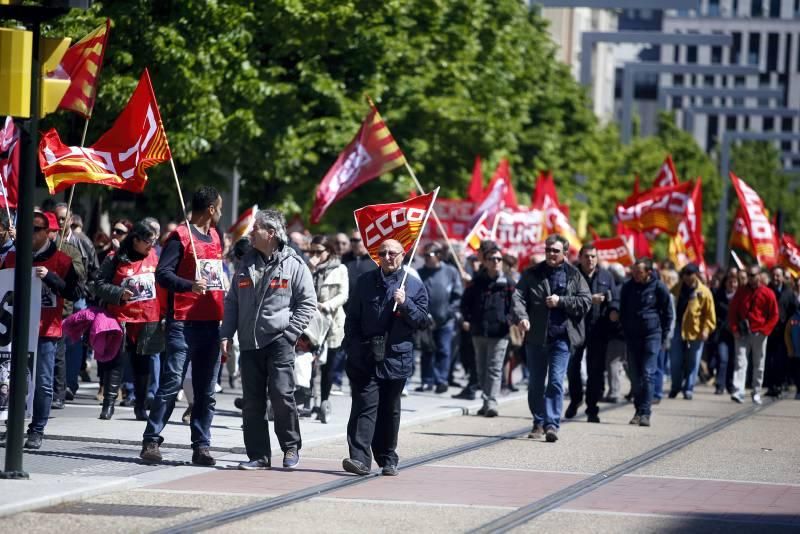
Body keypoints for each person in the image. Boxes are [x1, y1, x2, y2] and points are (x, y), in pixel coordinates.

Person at [221, 209, 316, 470]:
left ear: (271, 233)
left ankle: (290, 447)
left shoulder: (294, 264)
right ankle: (259, 456)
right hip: (249, 343)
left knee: (282, 396)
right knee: (252, 402)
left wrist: (290, 334)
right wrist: (226, 334)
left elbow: (308, 303)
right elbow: (232, 303)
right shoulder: (245, 263)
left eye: (256, 229)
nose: (251, 233)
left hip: (279, 342)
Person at [140, 186, 225, 466]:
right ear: (211, 209)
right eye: (220, 207)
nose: (221, 213)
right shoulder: (180, 236)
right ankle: (151, 440)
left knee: (206, 391)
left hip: (211, 323)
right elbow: (162, 275)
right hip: (183, 322)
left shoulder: (216, 235)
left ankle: (201, 445)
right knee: (171, 383)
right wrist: (190, 285)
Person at [341, 239, 429, 476]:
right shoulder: (365, 282)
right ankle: (359, 458)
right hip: (366, 355)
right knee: (364, 407)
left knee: (389, 410)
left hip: (396, 357)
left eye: (393, 253)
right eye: (383, 253)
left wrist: (405, 303)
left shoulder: (412, 285)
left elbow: (422, 320)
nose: (388, 257)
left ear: (403, 255)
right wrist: (353, 346)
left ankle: (388, 457)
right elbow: (353, 318)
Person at [3, 210, 82, 449]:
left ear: (47, 232)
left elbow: (75, 292)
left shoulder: (62, 260)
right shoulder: (13, 257)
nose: (30, 233)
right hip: (16, 328)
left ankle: (37, 429)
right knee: (14, 379)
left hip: (47, 331)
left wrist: (51, 277)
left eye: (36, 229)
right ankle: (12, 426)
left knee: (43, 382)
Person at [512, 235, 591, 443]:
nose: (551, 254)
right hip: (536, 337)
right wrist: (522, 317)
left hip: (562, 338)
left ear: (565, 253)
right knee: (536, 383)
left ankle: (552, 424)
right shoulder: (532, 273)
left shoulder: (574, 275)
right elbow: (518, 297)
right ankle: (538, 422)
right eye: (548, 250)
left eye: (555, 251)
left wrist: (561, 301)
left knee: (556, 381)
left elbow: (585, 301)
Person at [91, 221, 163, 421]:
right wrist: (119, 293)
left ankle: (140, 407)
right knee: (115, 362)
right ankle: (108, 405)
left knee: (142, 363)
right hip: (120, 318)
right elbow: (97, 284)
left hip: (147, 320)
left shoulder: (155, 257)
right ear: (135, 240)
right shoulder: (115, 258)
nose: (151, 245)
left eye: (154, 241)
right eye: (148, 241)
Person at [565, 244, 619, 423]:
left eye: (593, 256)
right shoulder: (571, 275)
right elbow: (566, 298)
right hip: (575, 327)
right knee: (573, 367)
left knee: (595, 371)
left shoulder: (606, 276)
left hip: (598, 328)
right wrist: (589, 299)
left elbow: (614, 298)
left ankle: (592, 408)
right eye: (587, 256)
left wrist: (613, 310)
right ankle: (576, 399)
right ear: (580, 258)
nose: (590, 260)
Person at [460, 243, 514, 417]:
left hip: (500, 333)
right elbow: (465, 303)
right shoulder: (476, 281)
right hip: (479, 332)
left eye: (499, 259)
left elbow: (518, 304)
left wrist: (510, 320)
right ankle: (485, 400)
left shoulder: (508, 283)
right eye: (492, 259)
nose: (496, 262)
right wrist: (466, 319)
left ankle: (491, 402)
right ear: (486, 261)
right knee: (481, 370)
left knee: (494, 368)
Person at [620, 258, 673, 428]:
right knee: (635, 377)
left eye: (639, 272)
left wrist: (663, 335)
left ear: (648, 273)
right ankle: (637, 410)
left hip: (652, 336)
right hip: (632, 337)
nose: (635, 275)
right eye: (634, 272)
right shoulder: (628, 287)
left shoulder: (658, 287)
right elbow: (622, 309)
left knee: (648, 373)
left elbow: (668, 313)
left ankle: (646, 412)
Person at [306, 235, 348, 423]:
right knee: (307, 361)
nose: (314, 255)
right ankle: (307, 397)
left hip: (331, 322)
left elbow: (343, 295)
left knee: (329, 365)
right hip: (310, 322)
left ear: (328, 251)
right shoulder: (307, 268)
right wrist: (310, 268)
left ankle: (324, 400)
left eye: (318, 252)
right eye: (311, 251)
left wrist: (327, 305)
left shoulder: (340, 269)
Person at [729, 265, 779, 405]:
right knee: (740, 362)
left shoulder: (768, 293)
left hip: (760, 333)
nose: (750, 278)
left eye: (753, 275)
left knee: (759, 364)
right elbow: (732, 312)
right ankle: (738, 391)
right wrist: (734, 329)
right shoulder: (741, 292)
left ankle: (756, 392)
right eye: (749, 275)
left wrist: (765, 331)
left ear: (759, 276)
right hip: (743, 333)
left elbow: (774, 315)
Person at [417, 241, 462, 394]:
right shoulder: (420, 273)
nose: (426, 258)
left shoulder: (451, 272)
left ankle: (442, 380)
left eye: (429, 255)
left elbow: (457, 295)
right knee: (427, 351)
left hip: (445, 320)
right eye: (425, 255)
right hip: (426, 321)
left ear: (438, 255)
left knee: (444, 350)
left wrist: (449, 312)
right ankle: (426, 381)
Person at [668, 263, 716, 400]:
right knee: (675, 361)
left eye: (690, 275)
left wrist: (706, 329)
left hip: (696, 331)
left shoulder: (704, 292)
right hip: (678, 329)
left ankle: (688, 388)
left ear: (696, 275)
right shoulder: (678, 288)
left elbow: (709, 314)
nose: (687, 278)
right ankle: (675, 386)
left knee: (693, 361)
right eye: (685, 275)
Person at [765, 267, 797, 398]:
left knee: (780, 360)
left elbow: (794, 310)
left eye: (778, 276)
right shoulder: (766, 290)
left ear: (783, 277)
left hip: (783, 332)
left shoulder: (788, 293)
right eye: (774, 275)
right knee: (769, 360)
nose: (776, 278)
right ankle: (771, 386)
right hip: (768, 331)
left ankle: (779, 384)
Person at [709, 271, 739, 395]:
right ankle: (720, 385)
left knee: (733, 360)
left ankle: (730, 384)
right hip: (722, 334)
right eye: (729, 282)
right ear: (725, 283)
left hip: (736, 334)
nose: (732, 284)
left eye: (734, 282)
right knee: (723, 359)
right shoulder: (718, 295)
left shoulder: (740, 297)